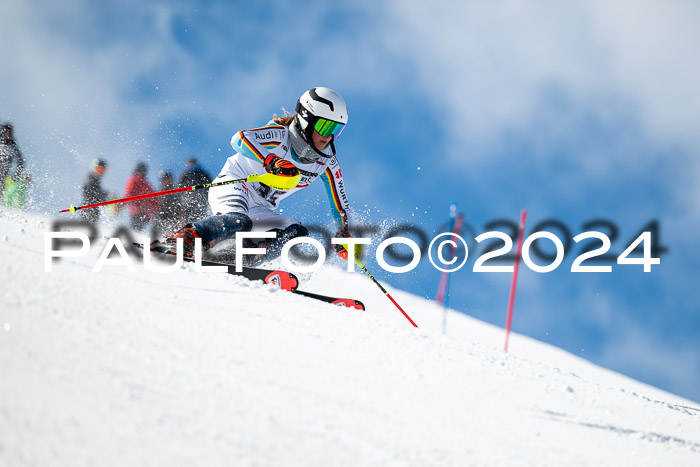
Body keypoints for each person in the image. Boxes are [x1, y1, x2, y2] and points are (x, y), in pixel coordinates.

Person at [161, 87, 356, 266]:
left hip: (261, 208)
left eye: (336, 130)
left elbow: (340, 206)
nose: (329, 137)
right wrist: (271, 160)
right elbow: (239, 138)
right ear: (306, 119)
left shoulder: (327, 163)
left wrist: (345, 232)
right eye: (325, 127)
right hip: (234, 184)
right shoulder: (281, 136)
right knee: (239, 221)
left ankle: (243, 260)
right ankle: (183, 238)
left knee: (296, 232)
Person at [124, 162, 159, 232]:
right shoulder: (148, 184)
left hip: (136, 211)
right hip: (146, 214)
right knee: (139, 230)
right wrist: (154, 212)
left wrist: (124, 203)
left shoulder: (133, 179)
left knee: (134, 230)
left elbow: (128, 193)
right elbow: (155, 200)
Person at [178, 157, 212, 223]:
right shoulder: (185, 175)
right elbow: (180, 189)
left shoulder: (203, 174)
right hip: (188, 202)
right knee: (190, 219)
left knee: (199, 217)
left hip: (200, 200)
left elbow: (209, 186)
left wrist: (204, 193)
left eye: (191, 163)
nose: (190, 166)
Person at [0, 123, 25, 201]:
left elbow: (20, 161)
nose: (7, 134)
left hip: (4, 171)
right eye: (5, 131)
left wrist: (17, 174)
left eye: (9, 132)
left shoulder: (12, 145)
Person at [153, 170, 182, 237]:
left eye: (168, 179)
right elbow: (155, 203)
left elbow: (179, 203)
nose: (166, 181)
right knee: (157, 225)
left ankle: (174, 240)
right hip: (162, 213)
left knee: (175, 228)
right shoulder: (160, 191)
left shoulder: (175, 190)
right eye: (164, 179)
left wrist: (180, 213)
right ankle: (154, 239)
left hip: (173, 213)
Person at [81, 158, 109, 223]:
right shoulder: (91, 177)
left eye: (103, 169)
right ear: (95, 168)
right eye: (99, 168)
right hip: (89, 208)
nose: (101, 171)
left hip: (93, 209)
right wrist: (106, 194)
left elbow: (98, 195)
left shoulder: (96, 179)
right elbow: (92, 191)